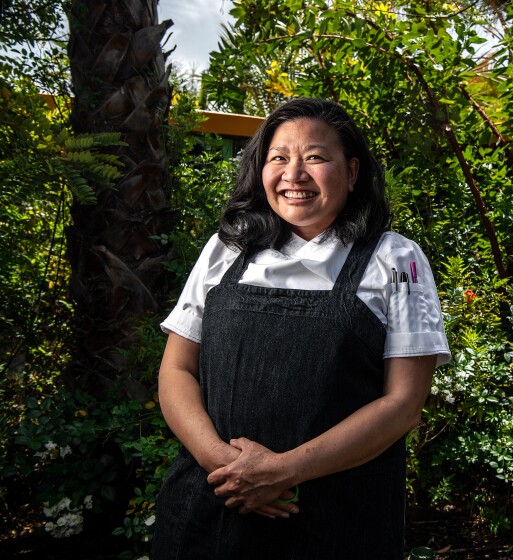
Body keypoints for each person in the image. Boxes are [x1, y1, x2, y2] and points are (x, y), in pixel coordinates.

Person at [151, 98, 450, 559]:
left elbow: (404, 404)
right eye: (279, 158)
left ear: (351, 173)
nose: (294, 174)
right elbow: (176, 370)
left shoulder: (395, 260)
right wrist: (229, 467)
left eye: (314, 157)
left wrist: (284, 471)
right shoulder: (225, 250)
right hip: (212, 510)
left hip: (338, 523)